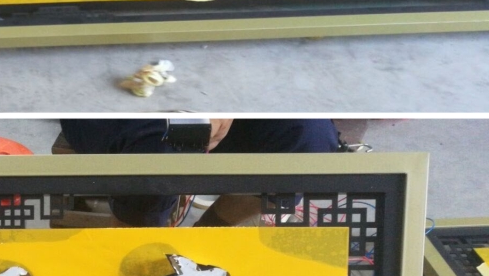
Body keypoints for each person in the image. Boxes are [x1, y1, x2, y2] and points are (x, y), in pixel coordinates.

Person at [58, 118, 342, 227]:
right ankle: (136, 242)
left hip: (232, 83)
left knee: (309, 139)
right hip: (130, 89)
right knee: (162, 148)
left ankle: (211, 232)